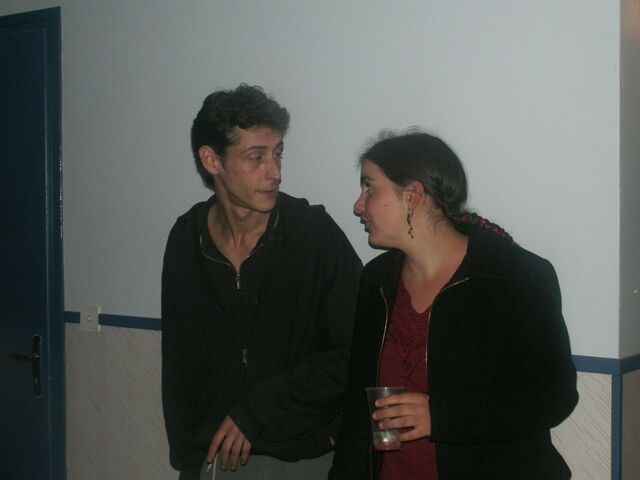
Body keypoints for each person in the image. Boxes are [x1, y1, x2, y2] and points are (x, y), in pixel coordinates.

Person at [329, 130, 578, 480]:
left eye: (370, 188)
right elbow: (359, 411)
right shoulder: (377, 280)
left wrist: (441, 416)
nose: (359, 205)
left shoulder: (515, 277)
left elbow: (553, 396)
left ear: (413, 195)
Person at [161, 84, 361, 480]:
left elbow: (354, 350)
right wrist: (187, 460)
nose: (275, 172)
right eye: (256, 157)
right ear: (211, 160)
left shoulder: (313, 234)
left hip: (303, 455)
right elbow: (179, 362)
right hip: (215, 459)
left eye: (278, 153)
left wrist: (259, 409)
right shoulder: (186, 239)